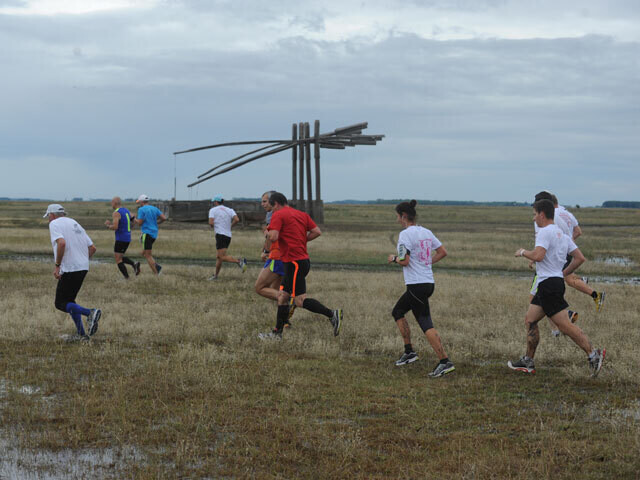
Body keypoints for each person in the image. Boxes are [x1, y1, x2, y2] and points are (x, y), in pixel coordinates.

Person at [509, 199, 605, 376]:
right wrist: (562, 273)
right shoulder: (562, 234)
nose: (533, 218)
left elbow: (538, 255)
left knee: (565, 326)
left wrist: (522, 252)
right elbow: (579, 258)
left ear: (542, 214)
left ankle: (593, 354)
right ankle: (528, 361)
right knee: (530, 320)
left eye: (534, 214)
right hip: (551, 283)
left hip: (548, 286)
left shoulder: (545, 232)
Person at [258, 192, 342, 339]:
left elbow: (274, 236)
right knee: (283, 297)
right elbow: (317, 232)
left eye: (270, 205)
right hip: (299, 261)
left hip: (294, 262)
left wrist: (266, 232)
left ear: (276, 203)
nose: (270, 209)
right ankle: (277, 333)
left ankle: (332, 314)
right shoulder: (301, 214)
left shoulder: (278, 214)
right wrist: (301, 241)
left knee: (299, 300)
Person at [387, 200, 455, 378]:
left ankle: (444, 361)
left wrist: (394, 258)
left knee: (425, 323)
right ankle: (409, 352)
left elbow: (405, 261)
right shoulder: (426, 232)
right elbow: (443, 252)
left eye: (397, 217)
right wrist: (426, 263)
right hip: (427, 282)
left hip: (416, 285)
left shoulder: (405, 235)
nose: (397, 220)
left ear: (403, 216)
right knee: (398, 311)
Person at [44, 204, 101, 341]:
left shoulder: (54, 224)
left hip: (70, 268)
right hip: (83, 267)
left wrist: (57, 266)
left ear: (52, 215)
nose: (48, 220)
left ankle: (90, 313)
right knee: (70, 301)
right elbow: (92, 248)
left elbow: (61, 243)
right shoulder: (75, 223)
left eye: (48, 217)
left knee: (60, 303)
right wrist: (81, 260)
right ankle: (82, 335)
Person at [550, 193, 605, 312]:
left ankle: (566, 313)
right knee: (566, 278)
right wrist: (570, 243)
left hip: (561, 253)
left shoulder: (554, 214)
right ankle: (589, 289)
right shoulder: (567, 213)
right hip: (569, 252)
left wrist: (564, 244)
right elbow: (578, 231)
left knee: (559, 280)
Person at [254, 191, 293, 326]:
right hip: (286, 256)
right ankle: (284, 321)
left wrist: (265, 251)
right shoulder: (275, 214)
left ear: (273, 202)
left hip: (277, 256)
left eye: (265, 201)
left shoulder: (274, 215)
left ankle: (291, 301)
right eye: (262, 201)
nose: (263, 204)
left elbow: (272, 236)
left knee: (261, 288)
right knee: (276, 289)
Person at [207, 195, 247, 280]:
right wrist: (230, 226)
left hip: (220, 235)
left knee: (221, 257)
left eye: (213, 202)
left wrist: (214, 226)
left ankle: (239, 262)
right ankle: (216, 276)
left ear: (216, 202)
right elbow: (237, 219)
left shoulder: (213, 210)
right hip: (228, 235)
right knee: (219, 257)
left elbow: (210, 222)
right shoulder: (230, 210)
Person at [104, 196, 140, 279]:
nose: (111, 204)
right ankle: (134, 264)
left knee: (118, 259)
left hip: (120, 238)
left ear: (115, 203)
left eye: (112, 202)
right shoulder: (126, 210)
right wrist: (129, 228)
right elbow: (134, 221)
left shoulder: (116, 213)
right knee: (119, 256)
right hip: (127, 237)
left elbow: (115, 227)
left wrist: (108, 225)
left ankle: (126, 277)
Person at [133, 194, 166, 275]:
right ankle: (156, 266)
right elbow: (164, 218)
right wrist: (156, 223)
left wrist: (133, 219)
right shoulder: (154, 208)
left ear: (142, 202)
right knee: (144, 253)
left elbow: (140, 223)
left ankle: (156, 274)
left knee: (148, 255)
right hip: (154, 234)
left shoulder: (141, 209)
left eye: (139, 202)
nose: (139, 204)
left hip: (147, 234)